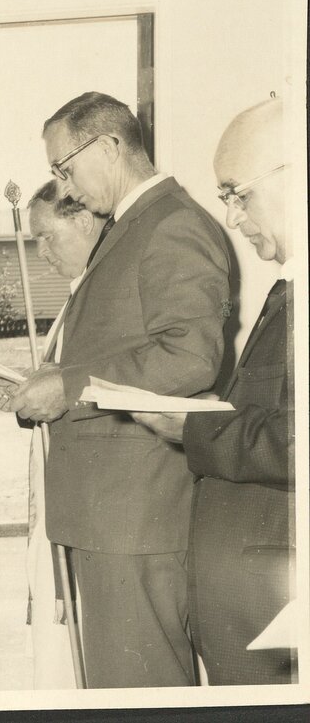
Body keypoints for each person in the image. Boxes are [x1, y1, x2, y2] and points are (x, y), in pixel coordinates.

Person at [0, 92, 231, 688]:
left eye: (65, 168)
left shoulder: (172, 223)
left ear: (109, 145)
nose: (66, 188)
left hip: (136, 516)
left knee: (141, 691)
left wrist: (69, 384)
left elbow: (190, 355)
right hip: (109, 515)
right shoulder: (129, 228)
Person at [131, 97, 295, 684]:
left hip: (279, 615)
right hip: (249, 608)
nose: (231, 217)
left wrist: (197, 426)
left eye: (237, 193)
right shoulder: (287, 288)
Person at [0, 180, 107, 689]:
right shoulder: (77, 298)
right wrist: (22, 398)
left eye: (46, 237)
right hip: (57, 495)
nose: (40, 253)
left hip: (92, 505)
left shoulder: (103, 298)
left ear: (83, 221)